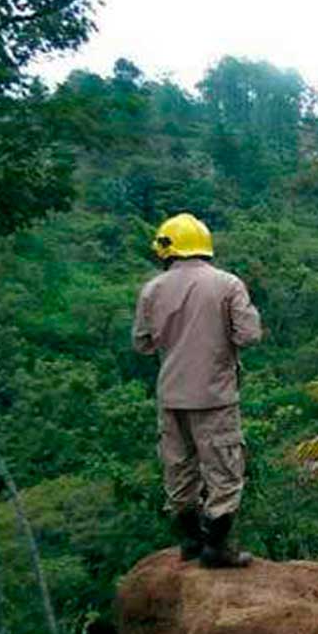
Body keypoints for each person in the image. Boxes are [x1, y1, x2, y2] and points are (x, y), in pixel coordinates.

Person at [132, 213, 263, 569]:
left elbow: (142, 344)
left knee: (179, 469)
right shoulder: (227, 284)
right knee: (223, 471)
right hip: (214, 396)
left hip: (170, 395)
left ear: (167, 250)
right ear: (204, 247)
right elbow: (249, 336)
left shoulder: (152, 289)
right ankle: (216, 548)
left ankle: (189, 541)